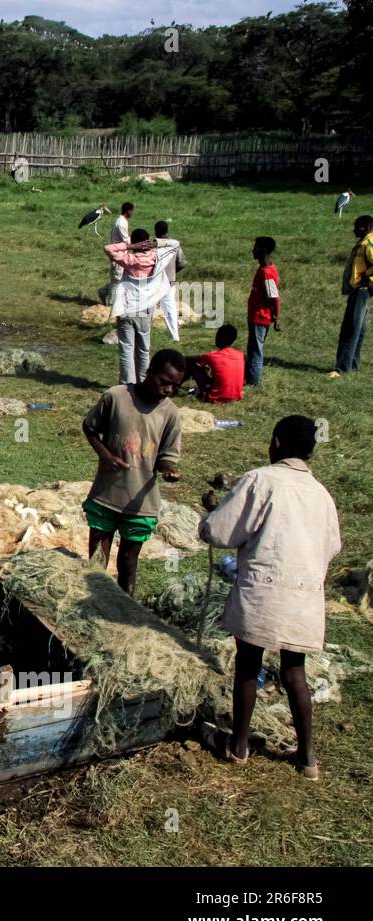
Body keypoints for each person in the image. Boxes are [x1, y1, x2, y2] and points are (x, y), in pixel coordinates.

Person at [200, 416, 341, 779]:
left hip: (264, 591)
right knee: (295, 671)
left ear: (276, 442)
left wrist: (211, 510)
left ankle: (239, 746)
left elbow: (221, 531)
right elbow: (333, 546)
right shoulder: (321, 494)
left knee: (248, 664)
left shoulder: (261, 480)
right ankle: (307, 757)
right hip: (304, 594)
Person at [81, 350, 184, 595]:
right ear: (149, 372)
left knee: (128, 562)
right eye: (164, 382)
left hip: (140, 503)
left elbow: (167, 457)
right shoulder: (116, 397)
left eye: (175, 386)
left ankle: (124, 609)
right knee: (96, 562)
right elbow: (90, 427)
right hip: (107, 494)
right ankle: (92, 602)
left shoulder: (170, 414)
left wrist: (169, 470)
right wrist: (105, 455)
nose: (168, 389)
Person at [104, 229, 159, 384]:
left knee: (127, 348)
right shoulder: (155, 257)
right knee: (143, 349)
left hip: (126, 308)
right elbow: (174, 244)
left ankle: (127, 383)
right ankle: (143, 382)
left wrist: (130, 246)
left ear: (135, 242)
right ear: (146, 241)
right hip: (145, 308)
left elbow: (108, 248)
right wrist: (154, 244)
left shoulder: (129, 259)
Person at [333, 214, 372, 375]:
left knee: (351, 328)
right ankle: (353, 364)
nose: (354, 229)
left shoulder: (369, 243)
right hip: (360, 290)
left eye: (357, 226)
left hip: (361, 290)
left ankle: (342, 368)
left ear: (365, 227)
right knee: (359, 328)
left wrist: (368, 280)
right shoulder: (365, 242)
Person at [245, 236, 280, 386]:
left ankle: (254, 383)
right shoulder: (264, 269)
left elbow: (274, 297)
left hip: (260, 317)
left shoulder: (267, 272)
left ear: (264, 250)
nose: (253, 250)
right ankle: (250, 378)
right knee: (253, 349)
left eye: (256, 247)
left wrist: (276, 316)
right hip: (256, 316)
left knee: (256, 351)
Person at [185, 324, 245, 403]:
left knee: (195, 366)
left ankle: (202, 393)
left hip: (215, 397)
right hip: (237, 396)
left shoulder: (213, 356)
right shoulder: (240, 354)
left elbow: (195, 360)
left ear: (219, 338)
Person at [154, 220, 186, 340]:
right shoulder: (174, 245)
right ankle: (175, 336)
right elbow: (182, 263)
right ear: (167, 231)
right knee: (170, 308)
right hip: (170, 280)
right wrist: (173, 272)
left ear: (156, 231)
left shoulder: (154, 245)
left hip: (155, 281)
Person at [99, 201, 134, 305]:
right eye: (132, 211)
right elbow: (127, 241)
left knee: (119, 279)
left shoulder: (120, 221)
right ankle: (111, 304)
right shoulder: (121, 223)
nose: (133, 213)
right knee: (117, 280)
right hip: (118, 255)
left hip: (121, 254)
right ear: (128, 211)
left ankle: (103, 291)